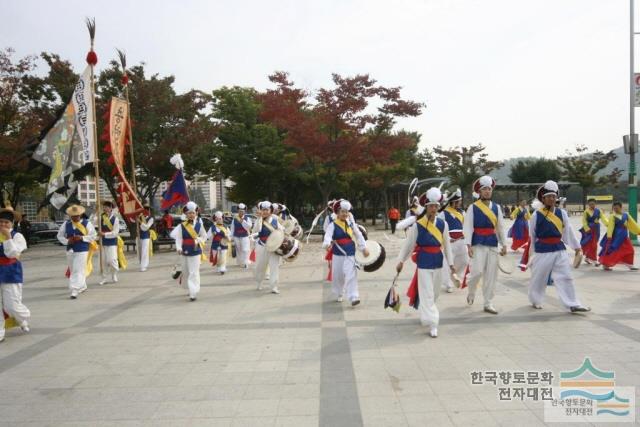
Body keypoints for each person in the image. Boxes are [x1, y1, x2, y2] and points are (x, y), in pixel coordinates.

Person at [397, 188, 454, 338]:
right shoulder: (417, 225)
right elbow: (409, 245)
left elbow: (447, 246)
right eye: (431, 206)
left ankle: (426, 314)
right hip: (423, 262)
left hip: (438, 262)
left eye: (436, 206)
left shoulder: (443, 225)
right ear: (426, 207)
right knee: (427, 293)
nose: (434, 209)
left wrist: (452, 264)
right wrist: (401, 260)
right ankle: (433, 323)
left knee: (433, 294)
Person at [527, 181, 591, 312]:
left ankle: (572, 303)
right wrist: (531, 254)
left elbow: (568, 232)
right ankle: (535, 300)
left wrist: (577, 247)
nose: (551, 199)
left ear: (556, 198)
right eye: (548, 196)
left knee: (565, 276)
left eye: (553, 196)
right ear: (543, 199)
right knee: (539, 277)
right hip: (542, 250)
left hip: (559, 248)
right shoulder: (536, 215)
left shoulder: (562, 213)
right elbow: (532, 236)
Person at [463, 175, 507, 314]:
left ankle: (488, 302)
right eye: (485, 189)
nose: (487, 191)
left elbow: (500, 227)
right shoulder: (473, 207)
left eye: (489, 189)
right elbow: (468, 227)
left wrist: (504, 244)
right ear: (480, 192)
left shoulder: (497, 208)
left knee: (491, 275)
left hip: (492, 244)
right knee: (476, 272)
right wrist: (468, 245)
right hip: (478, 243)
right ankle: (471, 291)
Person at [322, 199, 369, 306]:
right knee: (338, 276)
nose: (345, 214)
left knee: (351, 274)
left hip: (350, 252)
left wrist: (363, 248)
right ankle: (339, 292)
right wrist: (327, 243)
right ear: (337, 213)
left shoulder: (351, 224)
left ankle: (354, 297)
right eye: (342, 211)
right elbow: (328, 235)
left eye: (346, 212)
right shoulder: (332, 225)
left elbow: (358, 235)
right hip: (338, 253)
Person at [0, 207, 31, 342]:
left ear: (12, 223)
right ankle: (1, 331)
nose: (3, 225)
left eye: (6, 222)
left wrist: (7, 237)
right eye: (0, 222)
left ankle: (22, 317)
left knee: (11, 306)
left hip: (11, 271)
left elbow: (12, 254)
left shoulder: (18, 237)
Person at [57, 205, 97, 299]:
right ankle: (82, 286)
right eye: (73, 216)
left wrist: (82, 237)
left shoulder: (86, 223)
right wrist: (67, 241)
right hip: (70, 250)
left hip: (82, 249)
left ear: (80, 215)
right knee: (73, 269)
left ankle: (74, 290)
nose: (75, 217)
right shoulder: (66, 224)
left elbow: (93, 235)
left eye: (76, 216)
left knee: (77, 269)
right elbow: (59, 236)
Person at [170, 201, 207, 301]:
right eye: (189, 213)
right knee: (186, 272)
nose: (191, 215)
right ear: (186, 214)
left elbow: (204, 236)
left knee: (193, 272)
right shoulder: (181, 226)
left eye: (193, 213)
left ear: (196, 214)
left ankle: (193, 292)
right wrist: (178, 248)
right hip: (184, 251)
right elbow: (179, 238)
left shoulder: (200, 225)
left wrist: (200, 240)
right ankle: (189, 288)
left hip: (195, 251)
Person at [439, 189, 468, 293]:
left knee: (465, 261)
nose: (459, 203)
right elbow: (439, 227)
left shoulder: (462, 212)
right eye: (457, 201)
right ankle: (448, 284)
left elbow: (466, 226)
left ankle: (454, 276)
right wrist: (444, 239)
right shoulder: (443, 213)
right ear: (452, 202)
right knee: (447, 264)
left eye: (459, 201)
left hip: (461, 241)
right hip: (449, 243)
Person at [598, 201, 640, 271]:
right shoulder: (612, 216)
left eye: (617, 208)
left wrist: (638, 231)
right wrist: (609, 235)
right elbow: (610, 226)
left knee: (630, 250)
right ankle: (606, 264)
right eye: (614, 208)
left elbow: (633, 224)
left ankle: (630, 264)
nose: (615, 210)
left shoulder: (626, 215)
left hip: (624, 236)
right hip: (615, 236)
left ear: (621, 207)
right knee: (612, 250)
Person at [252, 201, 283, 294]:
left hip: (273, 248)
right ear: (260, 210)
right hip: (262, 246)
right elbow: (255, 231)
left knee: (274, 267)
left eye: (267, 210)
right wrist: (259, 219)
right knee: (259, 267)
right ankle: (259, 282)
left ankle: (274, 286)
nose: (265, 211)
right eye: (263, 209)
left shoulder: (275, 220)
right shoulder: (258, 220)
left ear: (271, 211)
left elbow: (282, 230)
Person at [98, 201, 121, 285]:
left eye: (107, 207)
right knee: (103, 261)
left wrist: (105, 234)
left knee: (112, 260)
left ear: (111, 208)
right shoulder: (100, 217)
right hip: (102, 242)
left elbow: (115, 232)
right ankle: (104, 278)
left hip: (111, 242)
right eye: (104, 207)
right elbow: (94, 225)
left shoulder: (115, 219)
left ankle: (114, 274)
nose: (105, 208)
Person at [579, 198, 606, 266]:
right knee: (592, 244)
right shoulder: (586, 212)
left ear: (595, 204)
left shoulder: (598, 211)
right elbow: (584, 221)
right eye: (590, 204)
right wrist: (586, 228)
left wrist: (609, 224)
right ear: (588, 204)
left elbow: (604, 219)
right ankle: (594, 259)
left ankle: (588, 258)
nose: (592, 205)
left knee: (594, 243)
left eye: (593, 204)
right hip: (589, 230)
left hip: (596, 229)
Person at [230, 203, 252, 268]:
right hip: (236, 236)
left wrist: (243, 222)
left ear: (245, 211)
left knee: (245, 249)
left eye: (242, 211)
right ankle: (240, 262)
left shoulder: (247, 218)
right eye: (240, 211)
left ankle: (245, 262)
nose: (241, 212)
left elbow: (248, 227)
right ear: (238, 211)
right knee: (239, 250)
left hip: (245, 235)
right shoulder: (235, 219)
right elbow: (232, 228)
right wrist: (231, 237)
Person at [138, 205, 154, 272]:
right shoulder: (140, 217)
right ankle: (142, 264)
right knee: (140, 251)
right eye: (145, 210)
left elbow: (146, 227)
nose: (147, 211)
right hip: (139, 236)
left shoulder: (151, 218)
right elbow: (132, 220)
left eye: (148, 210)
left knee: (144, 251)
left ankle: (143, 266)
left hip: (146, 236)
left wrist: (140, 222)